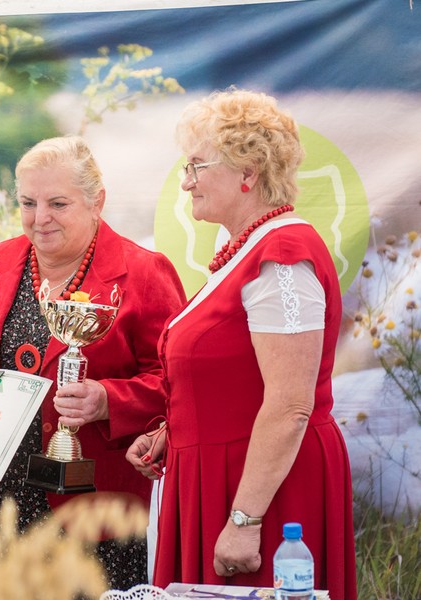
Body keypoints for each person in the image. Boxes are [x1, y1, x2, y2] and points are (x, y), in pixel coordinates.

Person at [125, 89, 357, 599]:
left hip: (265, 493)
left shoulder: (283, 256)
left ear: (247, 171)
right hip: (223, 479)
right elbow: (233, 375)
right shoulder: (246, 250)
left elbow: (292, 404)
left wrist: (246, 518)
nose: (185, 182)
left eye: (196, 166)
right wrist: (175, 431)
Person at [0, 135, 186, 590]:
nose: (40, 219)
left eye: (58, 203)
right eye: (28, 202)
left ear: (98, 202)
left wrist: (107, 400)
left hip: (94, 503)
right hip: (1, 494)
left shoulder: (145, 272)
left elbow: (180, 382)